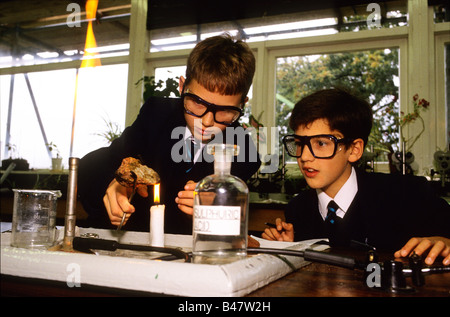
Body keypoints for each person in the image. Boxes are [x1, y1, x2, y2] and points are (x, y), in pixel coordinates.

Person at [78, 34, 261, 234]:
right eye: (198, 103)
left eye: (225, 111)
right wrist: (114, 182)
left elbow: (233, 227)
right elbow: (101, 163)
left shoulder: (244, 153)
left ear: (242, 104)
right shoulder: (157, 114)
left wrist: (217, 210)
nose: (207, 122)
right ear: (182, 87)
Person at [262, 88, 450, 265]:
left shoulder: (408, 194)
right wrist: (289, 248)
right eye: (299, 143)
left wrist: (445, 242)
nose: (304, 156)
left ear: (354, 150)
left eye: (320, 143)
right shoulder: (297, 210)